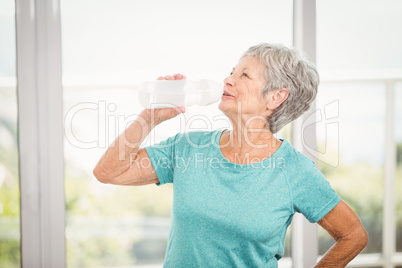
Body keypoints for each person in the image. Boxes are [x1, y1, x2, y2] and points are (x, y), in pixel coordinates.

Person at [93, 43, 368, 267]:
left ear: (276, 97)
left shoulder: (293, 171)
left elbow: (353, 235)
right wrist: (149, 117)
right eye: (232, 72)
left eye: (244, 75)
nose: (228, 80)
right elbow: (108, 173)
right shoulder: (189, 147)